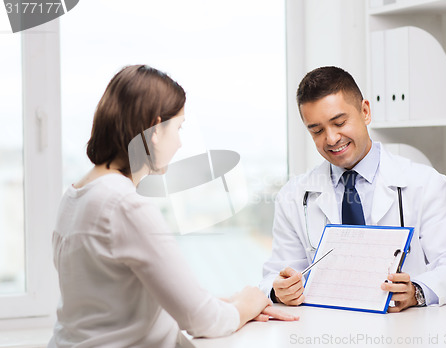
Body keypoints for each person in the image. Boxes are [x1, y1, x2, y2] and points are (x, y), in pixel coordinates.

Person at [48, 65, 298, 348]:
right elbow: (203, 321)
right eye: (178, 128)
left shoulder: (76, 195)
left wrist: (231, 303)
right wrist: (250, 303)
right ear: (155, 130)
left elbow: (121, 302)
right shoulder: (124, 205)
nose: (179, 143)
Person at [260, 66, 446, 312]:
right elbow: (278, 273)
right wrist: (279, 291)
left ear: (365, 111)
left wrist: (416, 292)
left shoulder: (425, 183)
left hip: (404, 332)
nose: (331, 138)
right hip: (325, 330)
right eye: (317, 130)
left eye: (339, 122)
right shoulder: (294, 196)